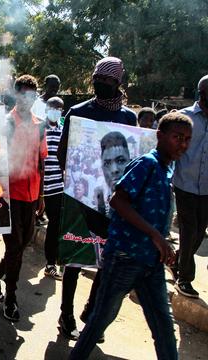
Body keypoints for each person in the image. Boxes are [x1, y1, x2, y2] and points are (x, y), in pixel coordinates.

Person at [69, 112, 192, 360]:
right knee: (99, 321)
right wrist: (155, 235)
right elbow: (118, 201)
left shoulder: (168, 168)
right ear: (160, 136)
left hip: (151, 263)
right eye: (177, 137)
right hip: (125, 257)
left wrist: (164, 243)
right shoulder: (146, 163)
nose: (183, 144)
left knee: (164, 328)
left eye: (187, 139)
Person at [56, 56, 137, 341]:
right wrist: (76, 178)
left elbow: (133, 161)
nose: (100, 84)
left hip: (113, 203)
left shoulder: (129, 118)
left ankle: (92, 311)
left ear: (118, 83)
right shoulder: (78, 111)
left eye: (107, 80)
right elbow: (61, 152)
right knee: (74, 258)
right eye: (97, 79)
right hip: (80, 198)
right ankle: (65, 315)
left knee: (106, 260)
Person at [0, 75, 47, 322]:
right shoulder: (5, 123)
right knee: (15, 247)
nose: (27, 100)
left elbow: (41, 160)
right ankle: (10, 298)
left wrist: (41, 194)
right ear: (16, 94)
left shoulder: (40, 124)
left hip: (31, 195)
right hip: (9, 195)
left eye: (32, 96)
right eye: (23, 95)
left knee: (21, 245)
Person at [172, 74, 208, 298]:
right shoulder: (183, 118)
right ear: (202, 93)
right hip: (184, 184)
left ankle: (177, 261)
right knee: (189, 230)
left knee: (198, 234)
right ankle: (184, 278)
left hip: (206, 188)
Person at [43, 96, 65, 279]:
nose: (56, 111)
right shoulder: (38, 129)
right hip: (38, 185)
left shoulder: (63, 130)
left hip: (56, 184)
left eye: (59, 108)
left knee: (55, 223)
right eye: (53, 107)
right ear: (46, 108)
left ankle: (51, 263)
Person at [94, 131, 130, 216]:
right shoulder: (101, 198)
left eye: (120, 161)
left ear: (130, 161)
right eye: (107, 163)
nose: (114, 170)